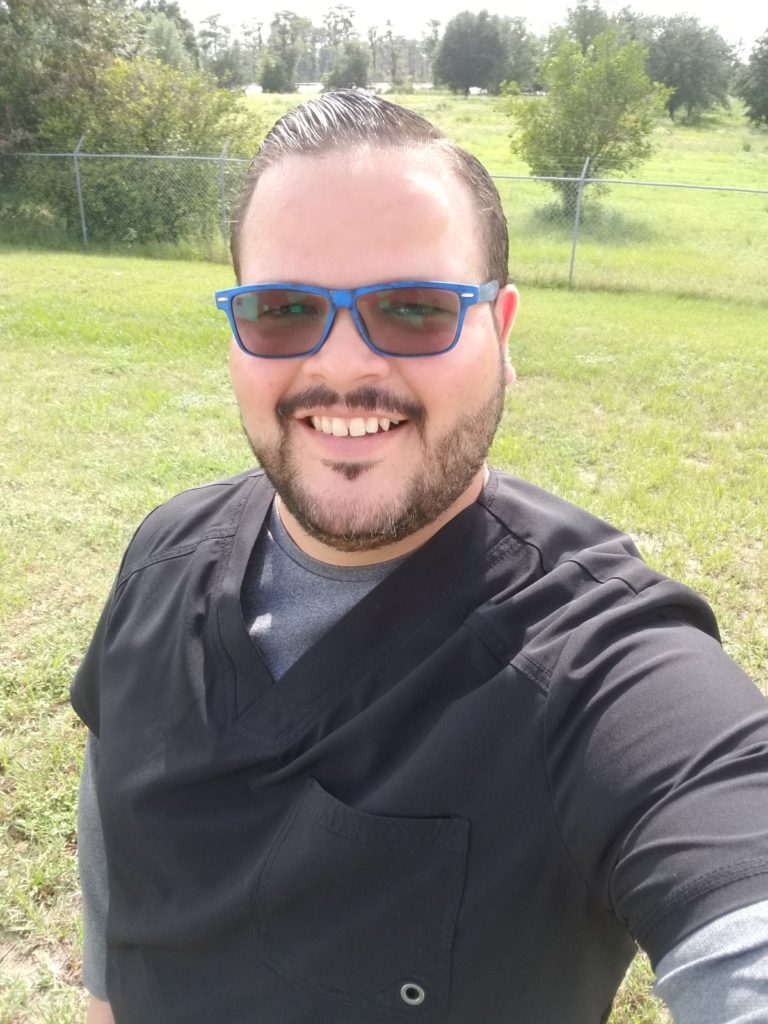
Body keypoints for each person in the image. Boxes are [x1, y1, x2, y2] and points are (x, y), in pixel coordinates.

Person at [72, 91, 768, 1024]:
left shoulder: (601, 666)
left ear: (502, 333)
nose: (343, 365)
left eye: (414, 309)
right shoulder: (162, 555)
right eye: (283, 309)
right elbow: (115, 818)